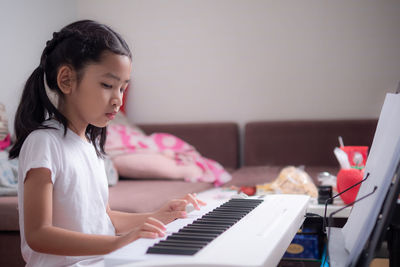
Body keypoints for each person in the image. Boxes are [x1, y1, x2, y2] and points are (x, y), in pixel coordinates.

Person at [9, 20, 205, 266]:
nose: (118, 100)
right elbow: (38, 235)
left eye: (123, 88)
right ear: (66, 80)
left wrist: (160, 216)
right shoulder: (44, 143)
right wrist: (117, 243)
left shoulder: (90, 145)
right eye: (107, 85)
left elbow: (104, 218)